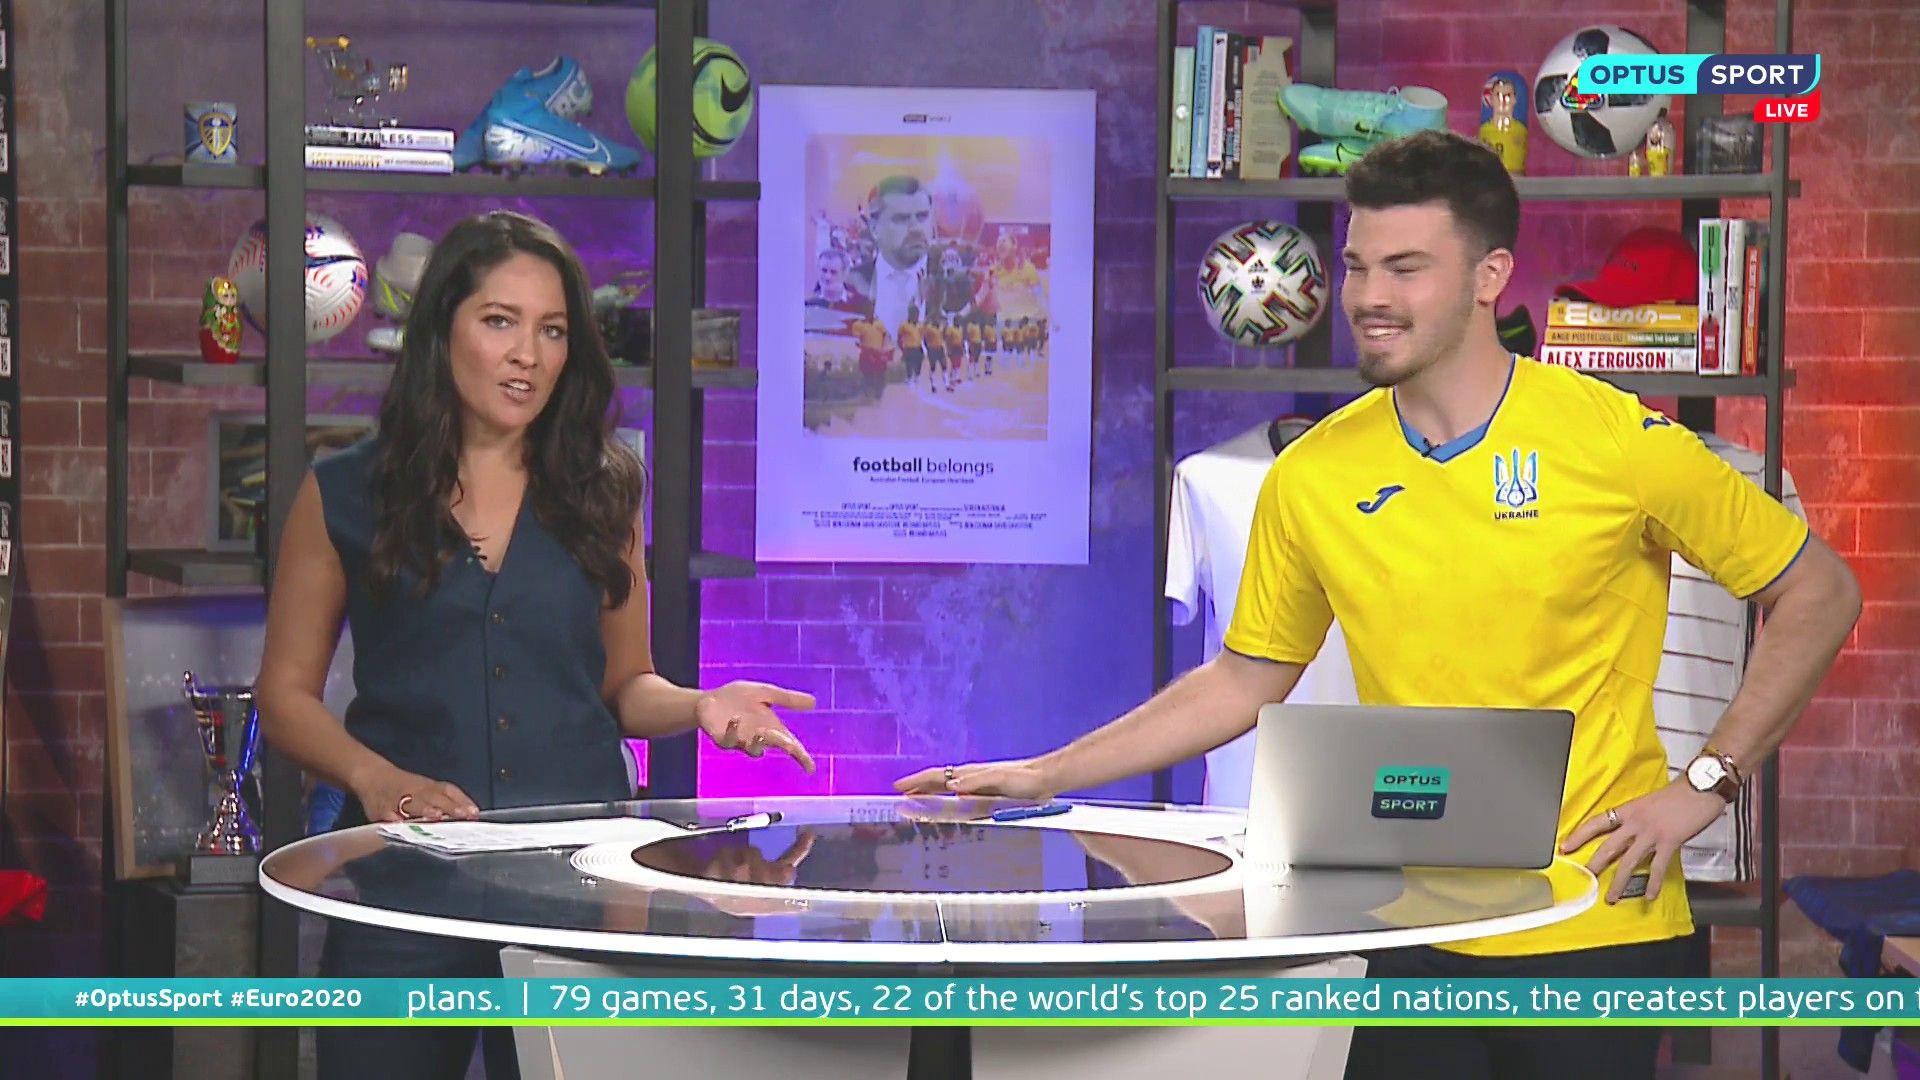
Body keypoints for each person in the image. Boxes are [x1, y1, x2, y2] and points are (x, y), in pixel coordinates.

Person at [895, 131, 1861, 1080]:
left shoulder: (1615, 441)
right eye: (1358, 266)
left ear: (1488, 276)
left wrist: (1705, 785)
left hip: (1592, 924)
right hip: (1400, 927)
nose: (1368, 297)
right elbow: (1243, 679)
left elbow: (1819, 592)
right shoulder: (1312, 474)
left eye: (1406, 268)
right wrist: (1044, 773)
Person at [255, 209, 816, 1080]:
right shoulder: (346, 491)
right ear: (442, 330)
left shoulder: (603, 489)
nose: (528, 355)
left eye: (552, 331)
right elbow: (285, 696)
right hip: (407, 892)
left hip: (580, 888)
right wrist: (374, 777)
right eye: (499, 321)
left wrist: (701, 705)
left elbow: (626, 684)